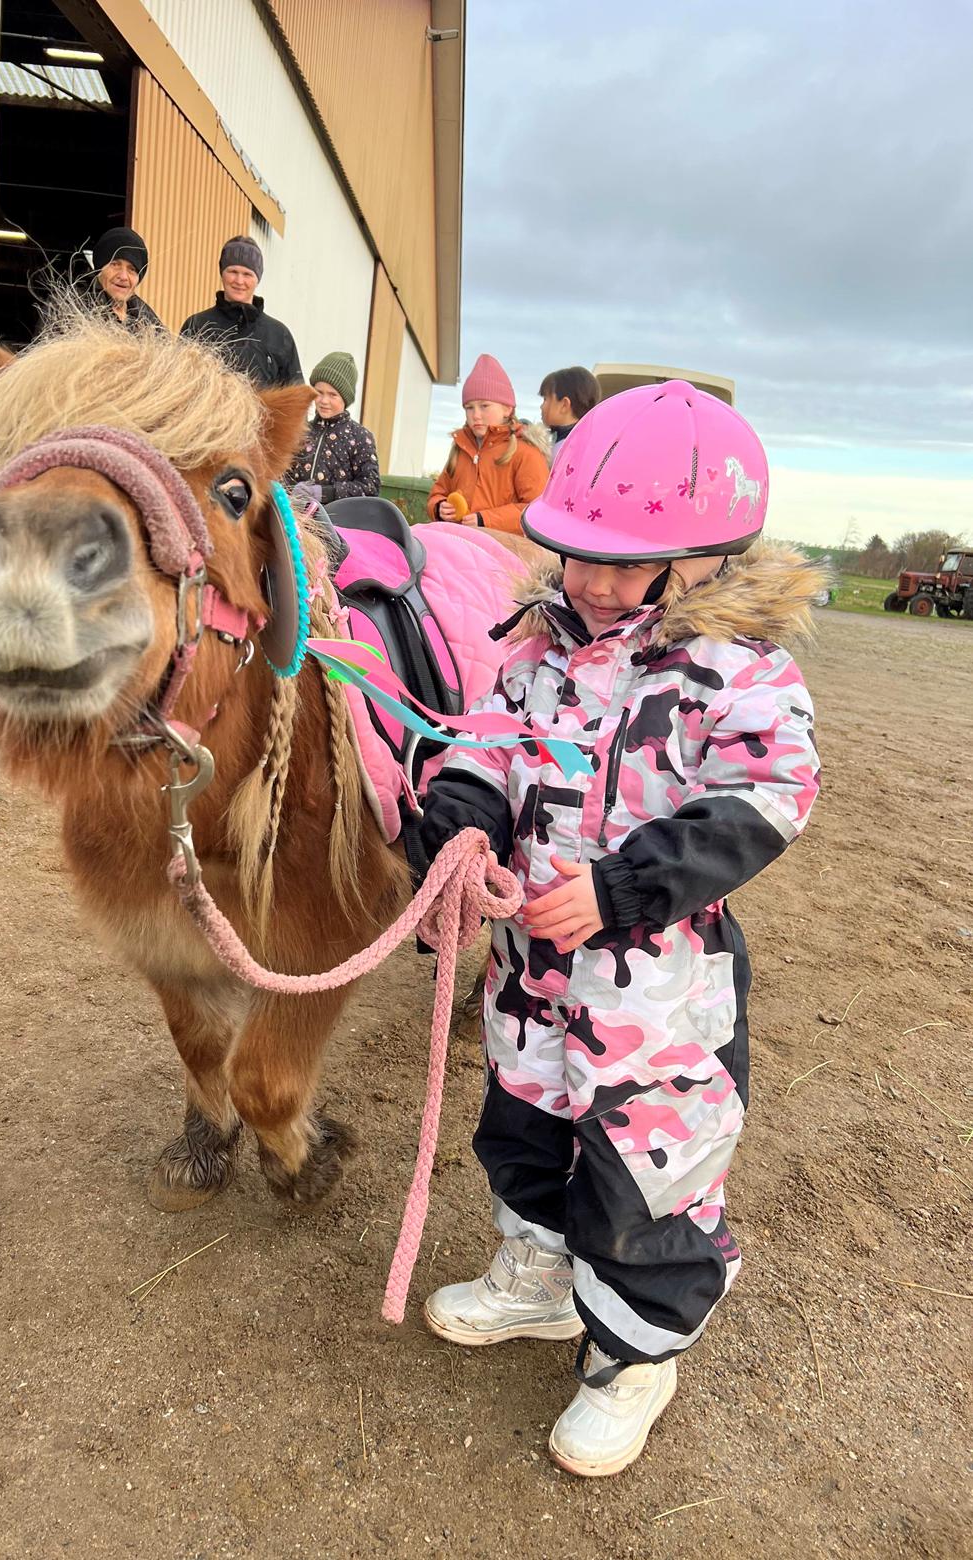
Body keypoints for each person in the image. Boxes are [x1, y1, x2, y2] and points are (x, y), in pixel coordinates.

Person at [418, 381, 821, 1477]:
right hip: (530, 977)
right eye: (572, 554)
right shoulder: (537, 649)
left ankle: (634, 1354)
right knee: (522, 1129)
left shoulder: (737, 675)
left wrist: (625, 888)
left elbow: (769, 798)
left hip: (655, 1001)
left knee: (645, 1170)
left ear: (703, 562)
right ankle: (541, 1278)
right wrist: (460, 822)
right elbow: (481, 746)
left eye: (615, 561)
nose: (587, 582)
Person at [426, 354, 549, 534]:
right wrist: (439, 507)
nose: (476, 415)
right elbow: (438, 492)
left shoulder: (525, 453)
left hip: (503, 552)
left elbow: (536, 511)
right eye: (469, 407)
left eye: (484, 406)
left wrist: (486, 520)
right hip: (458, 544)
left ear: (507, 409)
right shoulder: (460, 450)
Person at [180, 236, 302, 387]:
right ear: (222, 273)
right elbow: (179, 384)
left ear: (258, 278)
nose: (239, 281)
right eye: (232, 271)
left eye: (247, 274)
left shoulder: (279, 335)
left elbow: (295, 397)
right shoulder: (196, 325)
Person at [284, 351, 380, 503]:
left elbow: (370, 487)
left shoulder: (361, 437)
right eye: (319, 392)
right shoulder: (301, 431)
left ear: (345, 398)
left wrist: (324, 493)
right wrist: (288, 490)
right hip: (296, 518)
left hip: (337, 522)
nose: (323, 400)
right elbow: (283, 474)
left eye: (332, 395)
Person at [85, 226, 163, 331]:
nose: (123, 277)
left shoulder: (146, 317)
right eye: (115, 265)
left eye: (132, 269)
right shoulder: (76, 308)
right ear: (100, 269)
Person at [540, 365, 600, 463]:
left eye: (545, 399)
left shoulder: (562, 451)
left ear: (564, 405)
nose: (541, 406)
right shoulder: (590, 443)